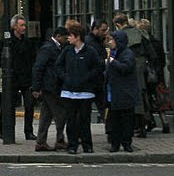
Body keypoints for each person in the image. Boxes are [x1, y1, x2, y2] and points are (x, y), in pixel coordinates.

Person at [59, 21, 102, 155]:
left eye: (71, 35)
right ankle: (72, 145)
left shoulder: (90, 51)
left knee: (84, 120)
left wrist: (88, 77)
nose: (68, 38)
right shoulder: (67, 51)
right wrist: (65, 77)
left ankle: (87, 145)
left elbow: (98, 67)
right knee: (71, 120)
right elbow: (58, 66)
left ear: (78, 36)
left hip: (85, 92)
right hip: (69, 91)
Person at [30, 26, 69, 153]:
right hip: (50, 86)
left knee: (46, 116)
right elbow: (38, 67)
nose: (66, 40)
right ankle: (60, 140)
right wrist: (36, 87)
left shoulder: (56, 48)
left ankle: (41, 142)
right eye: (64, 38)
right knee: (60, 114)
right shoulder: (48, 48)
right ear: (58, 36)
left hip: (50, 86)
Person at [0, 16, 38, 142]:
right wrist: (9, 69)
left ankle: (29, 131)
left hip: (26, 78)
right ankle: (4, 130)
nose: (24, 28)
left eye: (24, 25)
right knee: (8, 105)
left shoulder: (28, 42)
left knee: (29, 105)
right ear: (14, 26)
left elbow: (33, 58)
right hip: (13, 78)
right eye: (21, 25)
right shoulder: (7, 41)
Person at [104, 30, 139, 153]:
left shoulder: (127, 54)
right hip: (113, 93)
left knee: (126, 121)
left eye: (112, 40)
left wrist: (112, 62)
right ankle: (115, 143)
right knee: (115, 121)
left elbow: (126, 68)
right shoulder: (113, 53)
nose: (110, 42)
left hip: (125, 93)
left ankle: (126, 143)